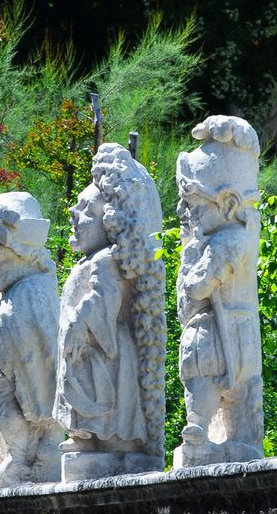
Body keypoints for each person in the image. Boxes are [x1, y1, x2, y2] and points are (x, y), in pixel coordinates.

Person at [55, 143, 165, 480]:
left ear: (110, 220)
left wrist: (78, 323)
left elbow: (104, 300)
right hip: (87, 351)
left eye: (86, 209)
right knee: (86, 396)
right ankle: (88, 438)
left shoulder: (107, 261)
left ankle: (115, 443)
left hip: (106, 351)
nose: (74, 214)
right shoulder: (89, 261)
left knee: (107, 402)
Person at [173, 117, 263, 466]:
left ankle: (220, 431)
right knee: (217, 386)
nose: (186, 213)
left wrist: (196, 274)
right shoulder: (213, 242)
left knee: (220, 385)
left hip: (225, 331)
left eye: (194, 205)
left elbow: (200, 286)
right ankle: (209, 429)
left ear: (227, 205)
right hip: (223, 329)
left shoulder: (231, 241)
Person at [0, 192, 61, 488]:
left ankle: (29, 455)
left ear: (20, 254)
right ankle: (15, 454)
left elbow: (44, 367)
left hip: (32, 414)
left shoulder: (31, 292)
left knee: (21, 410)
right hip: (8, 396)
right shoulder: (8, 295)